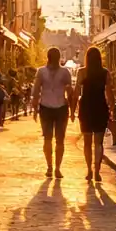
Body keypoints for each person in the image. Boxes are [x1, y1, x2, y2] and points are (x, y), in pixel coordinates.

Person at [31, 47, 77, 178]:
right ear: (59, 58)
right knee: (58, 140)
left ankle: (51, 167)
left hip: (47, 107)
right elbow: (70, 93)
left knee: (49, 139)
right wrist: (72, 109)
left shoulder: (42, 72)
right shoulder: (64, 72)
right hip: (59, 108)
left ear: (48, 57)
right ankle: (55, 168)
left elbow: (35, 91)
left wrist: (35, 109)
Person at [76, 46, 116, 183]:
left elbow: (76, 92)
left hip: (86, 108)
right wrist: (112, 107)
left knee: (87, 142)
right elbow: (110, 93)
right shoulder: (105, 73)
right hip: (100, 107)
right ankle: (97, 171)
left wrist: (72, 109)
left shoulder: (82, 72)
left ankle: (89, 170)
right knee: (98, 142)